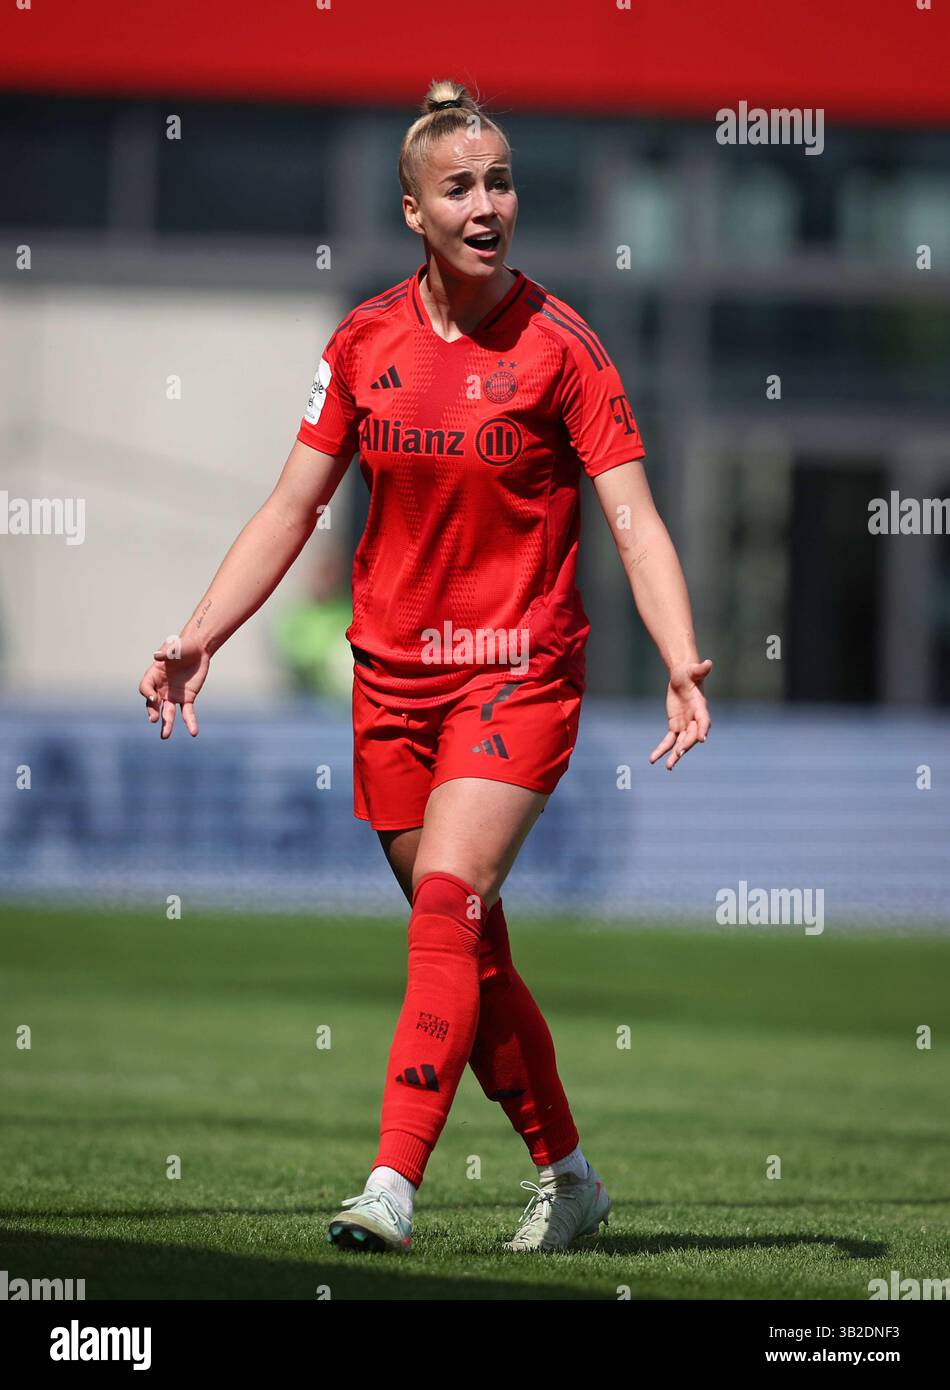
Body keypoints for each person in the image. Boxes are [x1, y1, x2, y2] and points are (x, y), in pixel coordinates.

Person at [137, 78, 712, 1256]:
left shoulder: (563, 349)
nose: (487, 202)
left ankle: (390, 1184)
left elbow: (635, 521)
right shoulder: (361, 343)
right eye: (460, 186)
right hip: (390, 685)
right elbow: (291, 509)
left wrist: (678, 657)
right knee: (473, 951)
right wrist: (202, 629)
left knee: (446, 904)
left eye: (500, 181)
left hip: (518, 674)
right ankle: (570, 1174)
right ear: (413, 208)